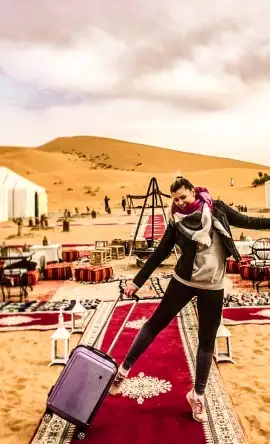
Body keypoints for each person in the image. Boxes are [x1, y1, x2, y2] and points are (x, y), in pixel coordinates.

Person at [109, 176, 270, 422]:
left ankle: (197, 395)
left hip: (213, 286)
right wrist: (136, 281)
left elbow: (249, 221)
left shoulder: (218, 209)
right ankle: (123, 370)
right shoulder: (176, 222)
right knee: (156, 324)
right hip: (183, 282)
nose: (180, 203)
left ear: (193, 192)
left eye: (183, 197)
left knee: (206, 341)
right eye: (175, 200)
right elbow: (160, 253)